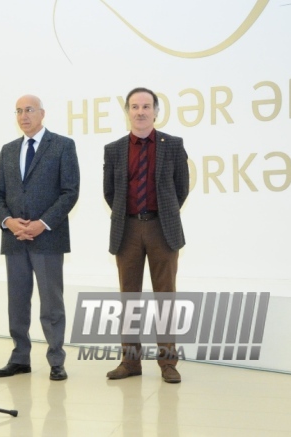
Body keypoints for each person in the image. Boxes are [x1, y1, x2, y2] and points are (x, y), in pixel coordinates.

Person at [0, 95, 80, 381]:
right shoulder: (8, 150)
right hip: (14, 238)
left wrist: (42, 223)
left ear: (42, 113)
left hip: (48, 239)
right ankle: (20, 358)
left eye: (29, 110)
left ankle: (56, 360)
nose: (23, 115)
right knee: (17, 301)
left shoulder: (63, 146)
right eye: (18, 111)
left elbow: (70, 192)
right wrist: (9, 221)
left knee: (51, 303)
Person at [103, 87, 189, 383]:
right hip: (126, 229)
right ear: (127, 111)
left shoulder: (173, 145)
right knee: (129, 299)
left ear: (156, 111)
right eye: (135, 106)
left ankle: (168, 363)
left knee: (165, 297)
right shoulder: (114, 149)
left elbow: (181, 187)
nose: (140, 111)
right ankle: (130, 362)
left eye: (146, 106)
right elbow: (110, 192)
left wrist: (162, 213)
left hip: (161, 229)